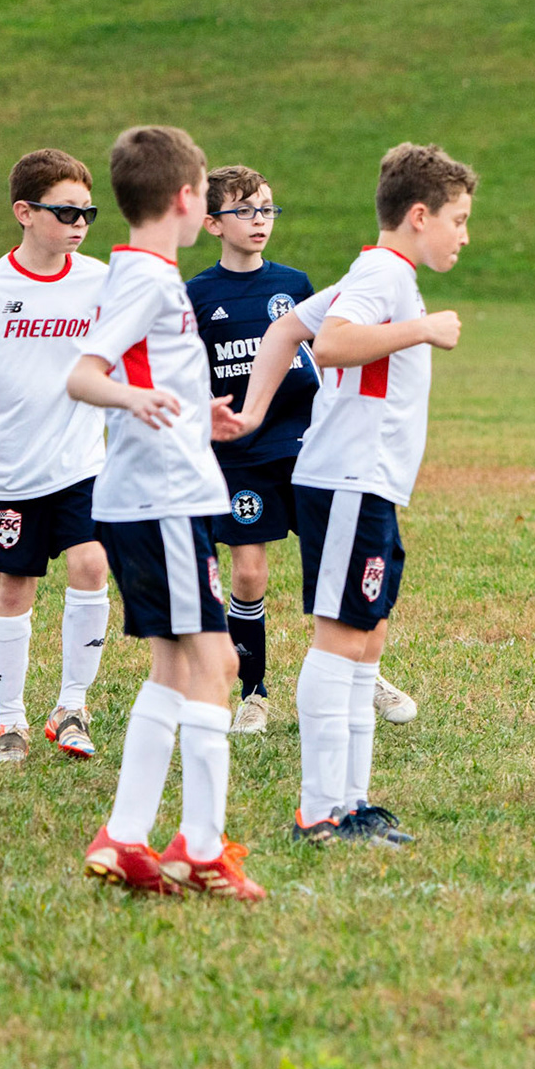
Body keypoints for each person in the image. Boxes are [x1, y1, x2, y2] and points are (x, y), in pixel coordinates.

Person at [227, 142, 474, 847]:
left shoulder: (383, 272)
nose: (464, 234)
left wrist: (249, 412)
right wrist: (423, 328)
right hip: (344, 481)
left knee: (364, 642)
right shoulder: (381, 276)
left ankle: (353, 804)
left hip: (367, 486)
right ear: (420, 215)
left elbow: (284, 330)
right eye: (457, 219)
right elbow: (330, 344)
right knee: (339, 643)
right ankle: (318, 812)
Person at [71, 125, 263, 899]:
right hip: (162, 503)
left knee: (173, 668)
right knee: (217, 664)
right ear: (189, 200)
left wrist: (191, 413)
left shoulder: (139, 273)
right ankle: (202, 849)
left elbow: (144, 369)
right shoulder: (150, 282)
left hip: (149, 497)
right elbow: (85, 375)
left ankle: (123, 838)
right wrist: (135, 396)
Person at [184, 165, 421, 733]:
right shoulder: (196, 295)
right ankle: (254, 690)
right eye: (244, 211)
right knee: (248, 574)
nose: (259, 220)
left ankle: (365, 675)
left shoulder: (294, 283)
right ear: (214, 223)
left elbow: (330, 349)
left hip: (309, 447)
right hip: (241, 453)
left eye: (266, 208)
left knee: (341, 562)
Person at [0, 149, 113, 764]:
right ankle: (10, 722)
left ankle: (72, 707)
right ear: (25, 213)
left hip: (83, 462)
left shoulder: (98, 281)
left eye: (87, 211)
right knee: (14, 588)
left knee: (91, 565)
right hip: (10, 470)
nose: (79, 222)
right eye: (65, 211)